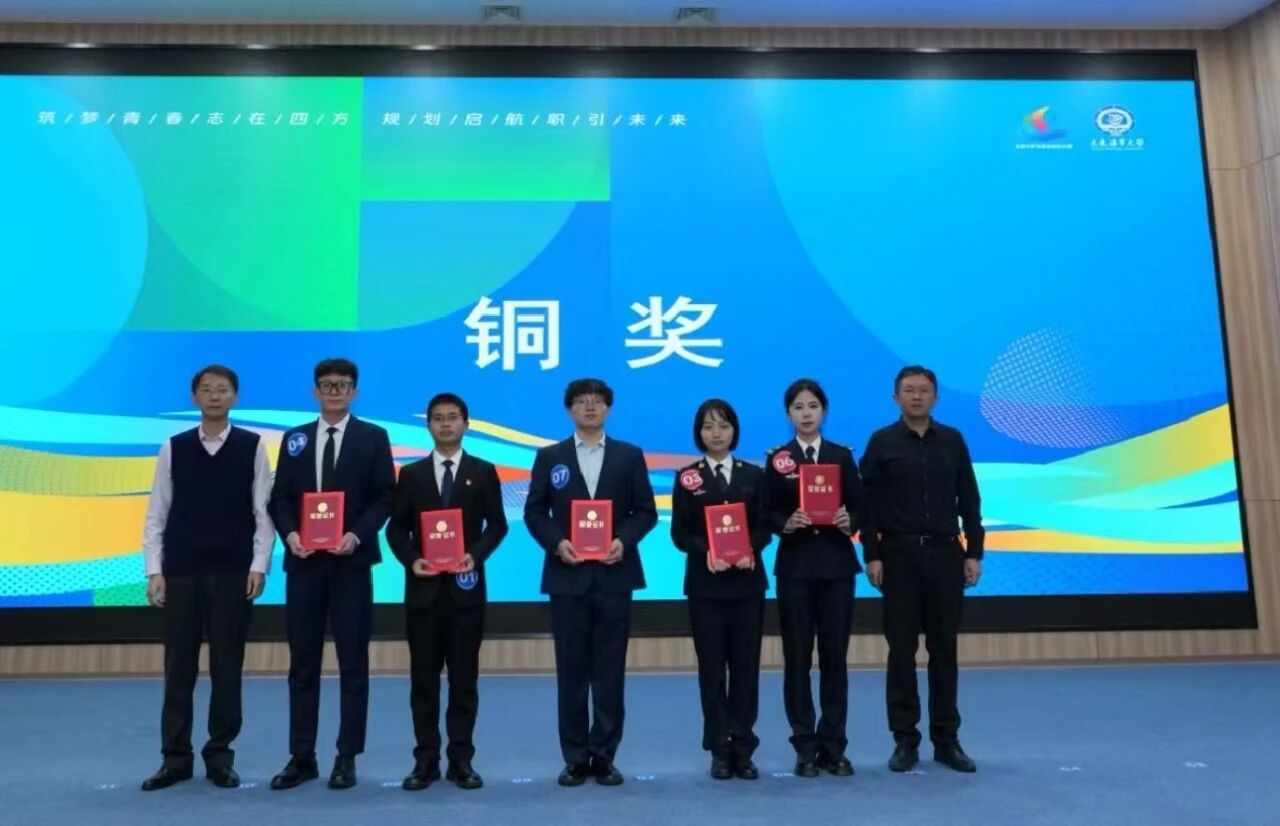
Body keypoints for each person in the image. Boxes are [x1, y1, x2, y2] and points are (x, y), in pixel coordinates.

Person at [140, 364, 273, 791]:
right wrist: (155, 570)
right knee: (178, 668)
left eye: (223, 389)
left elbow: (263, 512)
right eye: (207, 389)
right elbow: (157, 513)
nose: (215, 396)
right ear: (194, 396)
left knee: (226, 667)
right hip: (181, 572)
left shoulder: (252, 446)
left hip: (233, 572)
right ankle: (175, 759)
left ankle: (220, 756)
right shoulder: (174, 447)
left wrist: (259, 565)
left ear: (235, 396)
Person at [267, 357, 395, 790]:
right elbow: (280, 499)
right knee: (302, 665)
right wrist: (290, 535)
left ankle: (346, 755)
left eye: (342, 385)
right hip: (304, 564)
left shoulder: (373, 437)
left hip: (350, 564)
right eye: (326, 384)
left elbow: (385, 497)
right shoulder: (295, 439)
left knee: (352, 663)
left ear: (354, 391)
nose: (334, 391)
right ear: (314, 391)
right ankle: (301, 755)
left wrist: (356, 535)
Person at [523, 378, 658, 787]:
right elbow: (534, 512)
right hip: (567, 577)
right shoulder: (550, 457)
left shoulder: (629, 455)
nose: (589, 407)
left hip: (615, 576)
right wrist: (557, 543)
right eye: (581, 402)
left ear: (608, 409)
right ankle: (574, 758)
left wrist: (623, 540)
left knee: (609, 672)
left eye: (597, 401)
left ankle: (604, 756)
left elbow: (646, 511)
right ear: (569, 409)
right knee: (571, 673)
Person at [860, 366, 983, 774]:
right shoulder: (881, 442)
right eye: (909, 390)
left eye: (924, 390)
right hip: (898, 557)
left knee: (944, 650)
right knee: (901, 652)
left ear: (935, 397)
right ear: (895, 397)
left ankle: (947, 740)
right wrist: (872, 555)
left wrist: (974, 552)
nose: (916, 396)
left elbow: (969, 500)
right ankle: (905, 740)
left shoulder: (953, 440)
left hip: (946, 556)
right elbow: (867, 506)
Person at [386, 393, 509, 791]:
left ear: (466, 424)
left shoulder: (483, 471)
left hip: (465, 592)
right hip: (422, 593)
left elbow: (498, 525)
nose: (445, 424)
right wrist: (412, 560)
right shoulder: (412, 474)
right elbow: (395, 528)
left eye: (452, 417)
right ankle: (425, 761)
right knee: (423, 682)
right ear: (428, 426)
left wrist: (475, 555)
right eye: (437, 418)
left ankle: (461, 760)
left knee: (463, 681)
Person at [764, 378, 863, 778]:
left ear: (824, 411)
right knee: (797, 659)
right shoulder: (778, 459)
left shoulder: (841, 456)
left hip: (837, 569)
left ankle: (834, 746)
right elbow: (765, 512)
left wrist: (850, 520)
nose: (806, 414)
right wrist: (784, 523)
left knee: (835, 658)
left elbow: (862, 506)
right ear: (788, 413)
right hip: (796, 569)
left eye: (813, 406)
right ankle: (804, 746)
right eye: (798, 407)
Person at [670, 399, 771, 781]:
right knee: (712, 670)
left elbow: (764, 528)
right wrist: (707, 550)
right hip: (706, 587)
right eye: (708, 426)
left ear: (734, 431)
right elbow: (680, 534)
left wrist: (750, 548)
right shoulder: (688, 478)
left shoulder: (754, 475)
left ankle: (743, 747)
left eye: (723, 425)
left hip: (747, 585)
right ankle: (719, 748)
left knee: (746, 668)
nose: (716, 433)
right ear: (698, 433)